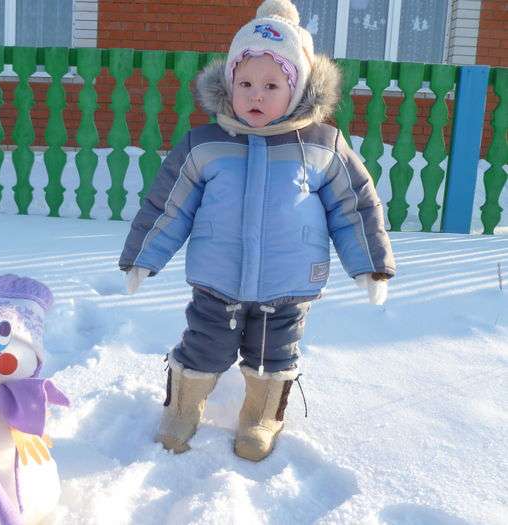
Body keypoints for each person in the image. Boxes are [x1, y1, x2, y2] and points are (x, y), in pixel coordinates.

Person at [118, 0, 396, 462]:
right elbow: (169, 205)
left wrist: (369, 266)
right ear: (229, 84)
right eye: (245, 83)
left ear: (300, 89)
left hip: (288, 285)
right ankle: (183, 408)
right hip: (217, 280)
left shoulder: (323, 146)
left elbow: (355, 207)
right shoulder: (206, 143)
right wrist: (143, 257)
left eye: (272, 85)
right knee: (203, 348)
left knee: (273, 355)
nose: (256, 95)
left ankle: (260, 417)